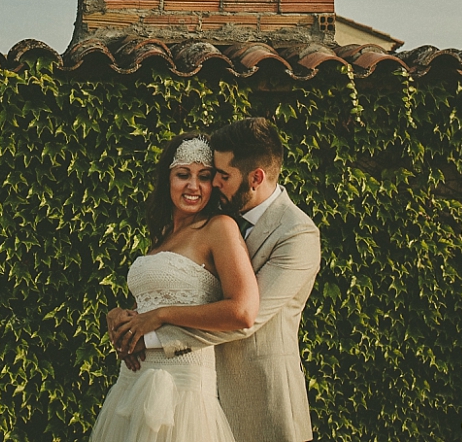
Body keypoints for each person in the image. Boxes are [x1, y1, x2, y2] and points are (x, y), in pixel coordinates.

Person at [109, 118, 321, 442]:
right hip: (191, 389)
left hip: (260, 396)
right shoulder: (201, 223)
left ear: (255, 178)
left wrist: (148, 334)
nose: (213, 184)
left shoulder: (297, 234)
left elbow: (245, 317)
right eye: (187, 174)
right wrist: (126, 318)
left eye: (219, 176)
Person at [89, 133, 259, 442]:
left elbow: (243, 311)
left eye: (204, 177)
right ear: (167, 178)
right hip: (132, 382)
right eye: (183, 175)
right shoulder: (164, 233)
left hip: (183, 392)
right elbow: (155, 297)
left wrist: (160, 315)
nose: (193, 186)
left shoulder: (219, 228)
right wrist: (120, 317)